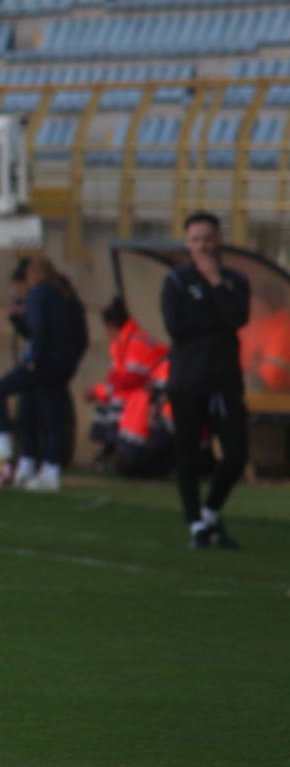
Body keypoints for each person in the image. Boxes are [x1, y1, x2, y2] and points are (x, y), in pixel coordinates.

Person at [160, 211, 251, 548]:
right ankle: (195, 525)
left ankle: (210, 513)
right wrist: (215, 316)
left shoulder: (235, 281)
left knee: (237, 453)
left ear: (219, 240)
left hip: (224, 379)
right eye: (196, 239)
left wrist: (214, 285)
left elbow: (237, 317)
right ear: (187, 243)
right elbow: (177, 326)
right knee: (188, 455)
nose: (202, 245)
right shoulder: (177, 281)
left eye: (208, 238)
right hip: (188, 380)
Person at [0, 257, 88, 491]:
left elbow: (38, 328)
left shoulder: (39, 293)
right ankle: (50, 471)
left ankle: (3, 440)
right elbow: (78, 336)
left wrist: (34, 358)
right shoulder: (65, 296)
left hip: (43, 363)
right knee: (54, 419)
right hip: (62, 365)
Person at [88, 297, 169, 472]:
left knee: (119, 401)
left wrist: (101, 390)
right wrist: (99, 391)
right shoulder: (120, 343)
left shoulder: (135, 342)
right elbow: (116, 377)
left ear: (111, 326)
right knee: (108, 400)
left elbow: (131, 378)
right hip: (147, 388)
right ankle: (113, 451)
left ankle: (122, 452)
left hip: (157, 388)